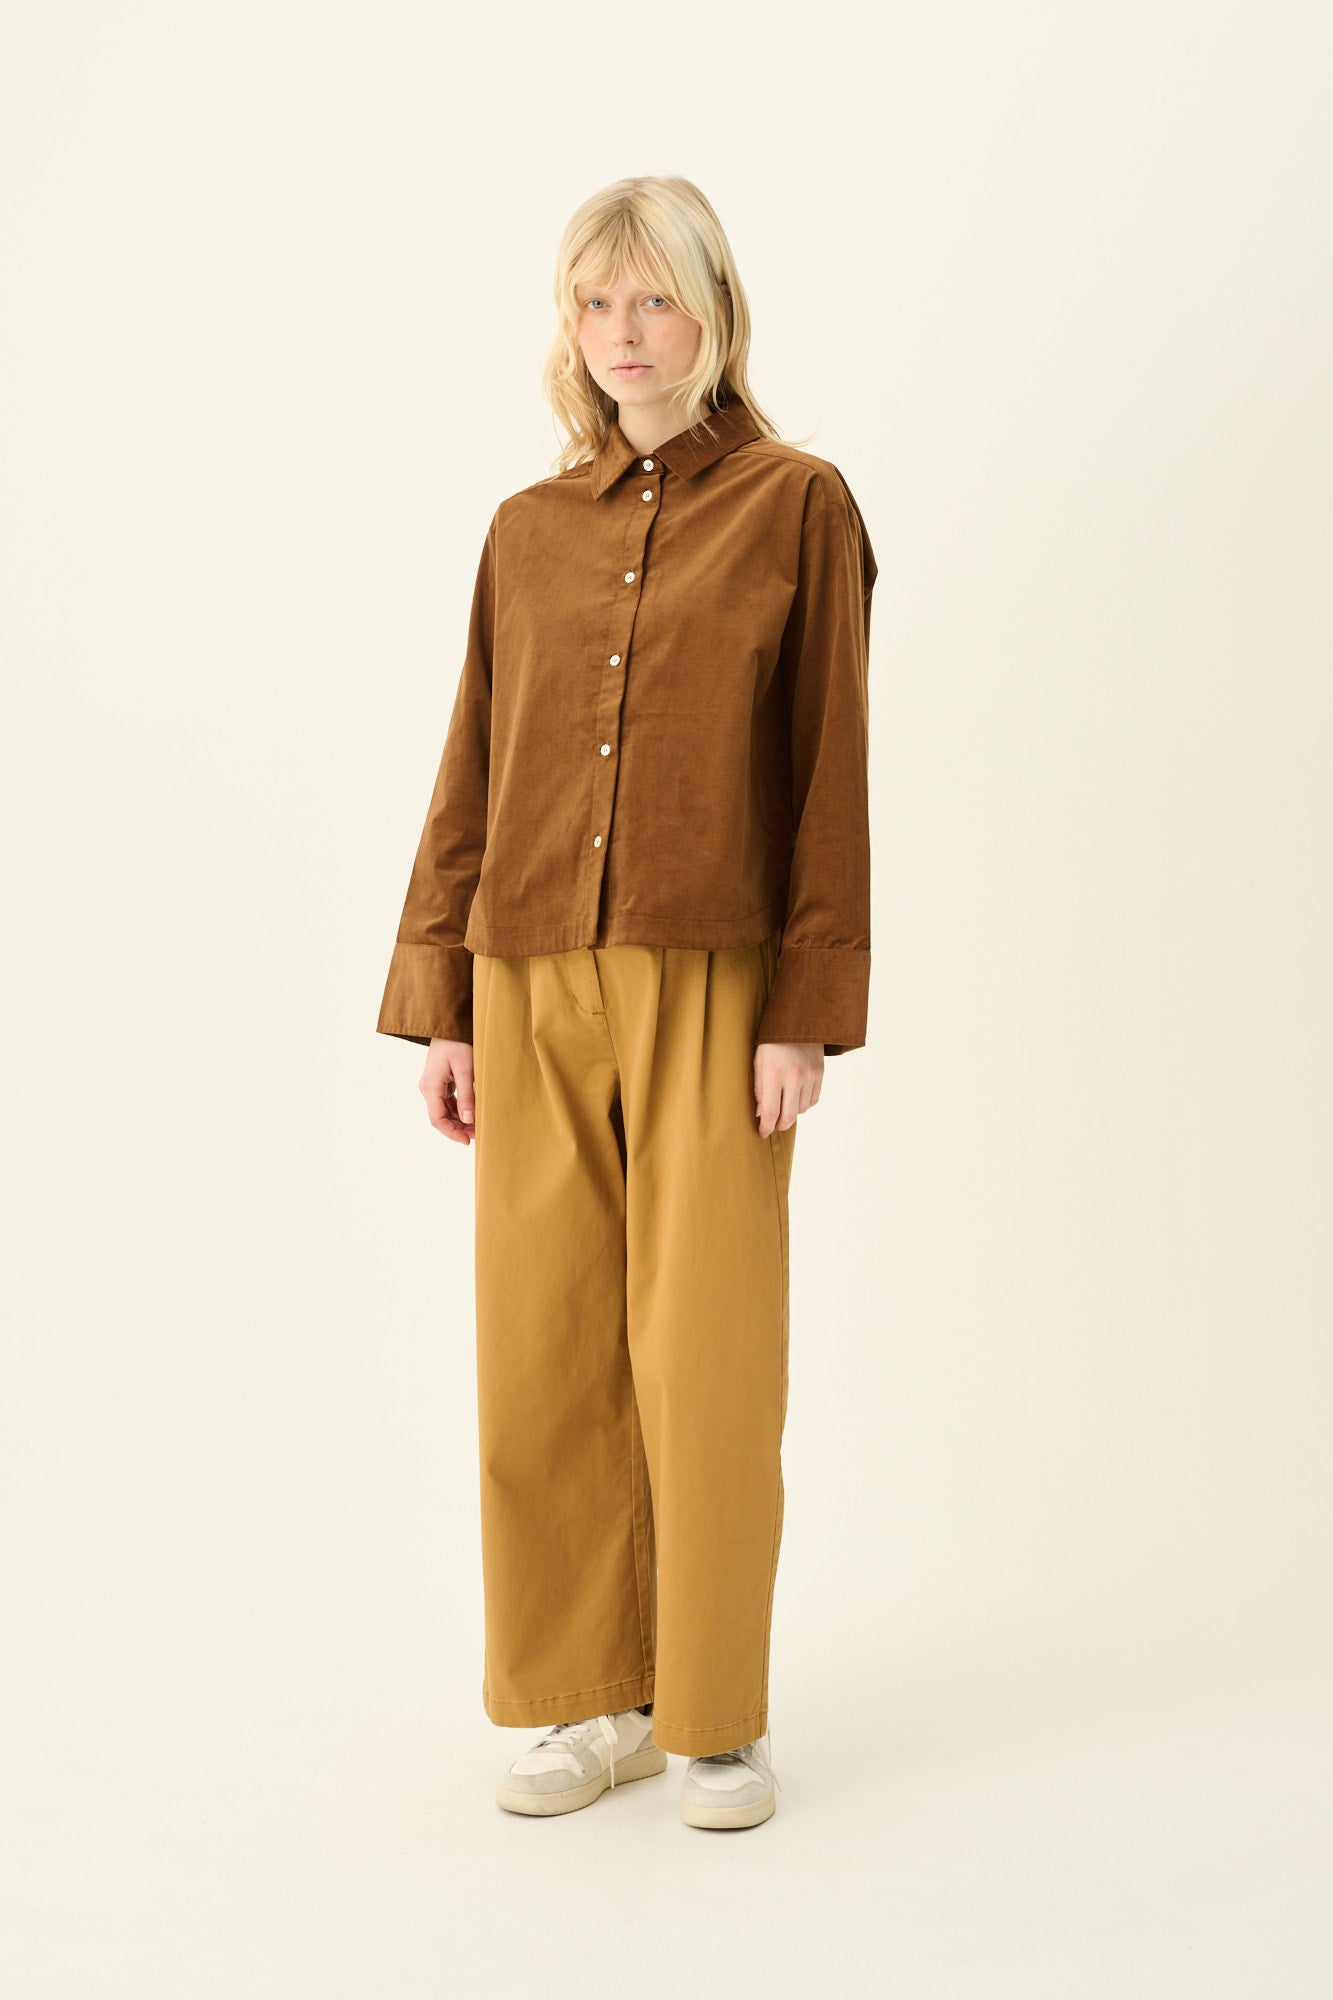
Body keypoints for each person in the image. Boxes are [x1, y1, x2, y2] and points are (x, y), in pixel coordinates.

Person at [376, 174, 877, 1831]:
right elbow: (471, 764)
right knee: (541, 1349)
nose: (623, 332)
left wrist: (803, 1009)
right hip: (524, 970)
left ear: (712, 312)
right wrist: (442, 1001)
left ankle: (712, 1716)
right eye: (595, 303)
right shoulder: (526, 530)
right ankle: (589, 1698)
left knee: (704, 1348)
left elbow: (827, 773)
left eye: (654, 298)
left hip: (710, 975)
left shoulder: (796, 506)